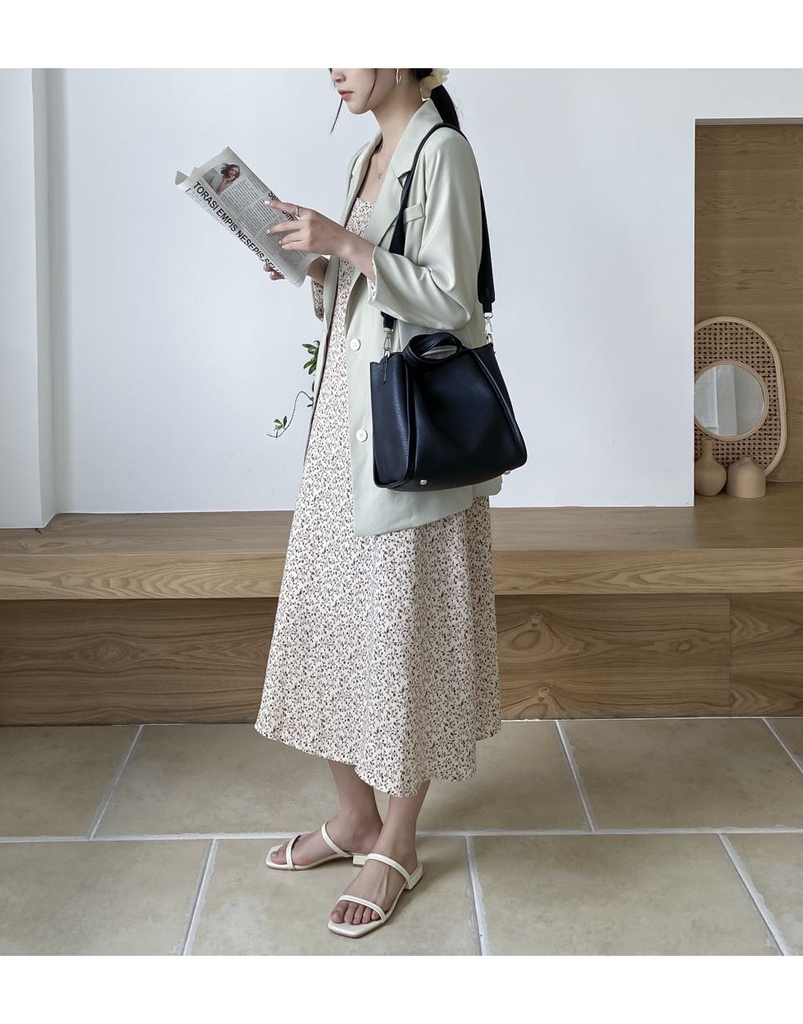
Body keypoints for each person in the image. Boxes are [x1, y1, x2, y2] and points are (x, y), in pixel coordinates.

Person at [254, 68, 503, 939]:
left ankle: (397, 840)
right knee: (331, 615)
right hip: (345, 430)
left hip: (407, 440)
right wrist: (317, 263)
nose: (332, 65)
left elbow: (453, 299)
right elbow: (365, 301)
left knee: (404, 628)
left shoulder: (443, 151)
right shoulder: (369, 154)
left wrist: (348, 245)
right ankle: (354, 816)